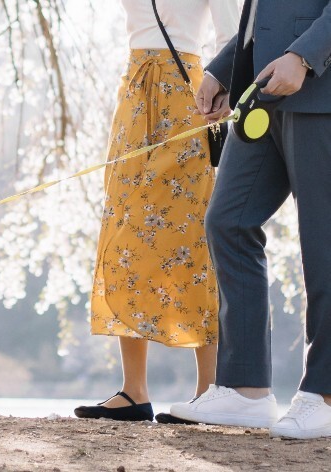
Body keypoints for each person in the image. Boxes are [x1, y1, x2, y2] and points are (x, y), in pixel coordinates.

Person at [168, 0, 331, 439]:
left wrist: (305, 55)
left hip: (321, 85)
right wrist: (225, 69)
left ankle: (325, 393)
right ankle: (246, 390)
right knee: (228, 221)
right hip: (262, 87)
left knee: (324, 242)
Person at [74, 0, 239, 423]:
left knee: (194, 241)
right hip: (133, 96)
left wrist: (225, 90)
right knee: (124, 234)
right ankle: (134, 391)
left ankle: (208, 390)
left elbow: (235, 38)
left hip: (190, 98)